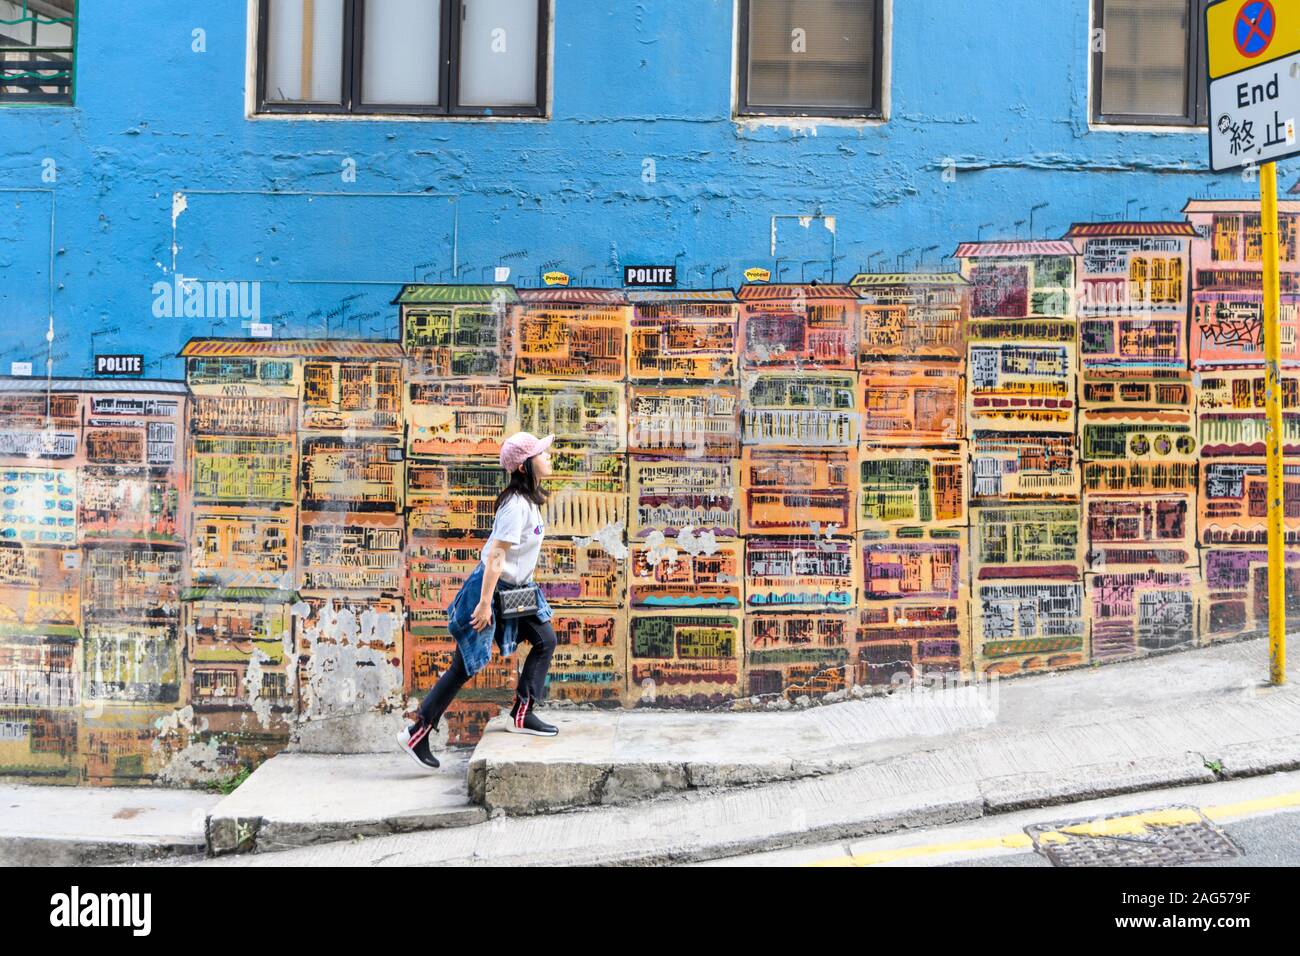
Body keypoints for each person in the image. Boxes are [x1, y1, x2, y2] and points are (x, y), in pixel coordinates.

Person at [398, 431, 560, 771]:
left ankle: (521, 713)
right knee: (465, 664)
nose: (548, 456)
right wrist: (484, 604)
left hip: (517, 589)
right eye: (541, 453)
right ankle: (417, 733)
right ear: (522, 466)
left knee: (545, 639)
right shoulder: (516, 506)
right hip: (493, 588)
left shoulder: (529, 500)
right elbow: (497, 556)